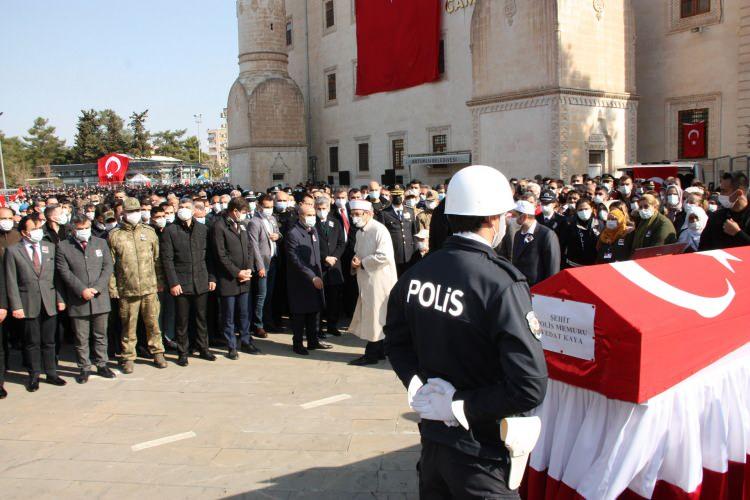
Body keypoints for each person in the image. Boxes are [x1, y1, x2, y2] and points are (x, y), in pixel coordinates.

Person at [384, 165, 548, 499]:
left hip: (433, 445)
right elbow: (529, 386)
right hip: (480, 453)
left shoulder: (417, 274)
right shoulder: (501, 283)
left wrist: (421, 388)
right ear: (492, 219)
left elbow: (396, 342)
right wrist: (458, 405)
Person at [5, 214, 67, 391]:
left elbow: (57, 277)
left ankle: (52, 373)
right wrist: (16, 306)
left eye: (39, 228)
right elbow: (11, 280)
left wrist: (60, 299)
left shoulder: (49, 247)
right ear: (24, 233)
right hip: (27, 303)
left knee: (49, 341)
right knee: (32, 342)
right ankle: (34, 375)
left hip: (49, 301)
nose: (38, 232)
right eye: (34, 229)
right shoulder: (13, 251)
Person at [108, 198, 168, 373]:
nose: (134, 214)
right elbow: (110, 265)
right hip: (127, 290)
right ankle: (128, 357)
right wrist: (113, 288)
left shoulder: (149, 232)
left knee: (153, 323)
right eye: (130, 211)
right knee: (128, 326)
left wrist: (160, 281)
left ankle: (158, 352)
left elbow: (157, 260)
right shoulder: (115, 235)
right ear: (123, 214)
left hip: (150, 287)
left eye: (137, 211)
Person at [55, 214, 116, 383]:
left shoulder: (101, 243)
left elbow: (108, 267)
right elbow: (64, 272)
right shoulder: (63, 246)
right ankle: (84, 367)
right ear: (73, 230)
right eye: (80, 229)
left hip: (100, 298)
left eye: (86, 228)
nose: (84, 231)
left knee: (100, 335)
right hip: (78, 299)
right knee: (81, 338)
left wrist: (96, 288)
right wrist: (81, 289)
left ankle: (102, 364)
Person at [160, 198, 217, 366]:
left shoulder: (202, 229)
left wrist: (211, 277)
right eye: (181, 207)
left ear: (193, 211)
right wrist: (173, 283)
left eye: (187, 207)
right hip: (181, 283)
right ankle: (182, 352)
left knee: (201, 318)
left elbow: (209, 257)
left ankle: (203, 348)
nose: (183, 210)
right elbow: (167, 260)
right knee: (182, 320)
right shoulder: (171, 231)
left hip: (201, 281)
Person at [348, 199, 398, 366]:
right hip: (366, 280)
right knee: (374, 315)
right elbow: (358, 252)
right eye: (352, 214)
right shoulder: (360, 232)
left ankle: (371, 354)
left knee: (375, 316)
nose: (354, 218)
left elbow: (384, 256)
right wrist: (356, 261)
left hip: (379, 280)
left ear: (368, 214)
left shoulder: (379, 230)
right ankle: (381, 351)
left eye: (357, 214)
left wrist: (362, 262)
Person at [211, 197, 260, 359]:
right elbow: (220, 255)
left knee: (245, 313)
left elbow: (249, 248)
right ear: (235, 211)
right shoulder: (219, 226)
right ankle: (231, 345)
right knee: (229, 314)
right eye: (244, 212)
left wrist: (248, 269)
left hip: (245, 277)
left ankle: (246, 340)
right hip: (229, 279)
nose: (246, 215)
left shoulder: (243, 226)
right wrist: (236, 272)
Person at [285, 205, 333, 355]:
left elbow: (316, 255)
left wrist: (318, 273)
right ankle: (297, 343)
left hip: (315, 276)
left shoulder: (313, 230)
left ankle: (313, 340)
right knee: (300, 312)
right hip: (301, 279)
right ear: (300, 216)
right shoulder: (293, 233)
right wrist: (311, 277)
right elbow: (295, 260)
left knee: (314, 310)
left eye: (313, 214)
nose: (313, 217)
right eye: (309, 215)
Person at [248, 194, 281, 338]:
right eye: (266, 207)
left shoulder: (272, 219)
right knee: (261, 295)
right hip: (262, 263)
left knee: (270, 295)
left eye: (271, 207)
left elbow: (278, 233)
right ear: (259, 206)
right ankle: (258, 325)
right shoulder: (254, 222)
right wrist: (260, 266)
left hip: (273, 260)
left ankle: (268, 321)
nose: (269, 210)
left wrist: (278, 236)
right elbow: (253, 246)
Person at [314, 196, 346, 337]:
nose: (321, 211)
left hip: (334, 266)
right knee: (320, 299)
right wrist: (324, 257)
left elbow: (341, 243)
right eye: (319, 209)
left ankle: (332, 325)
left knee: (334, 299)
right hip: (320, 266)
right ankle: (318, 327)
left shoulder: (335, 222)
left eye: (324, 209)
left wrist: (334, 257)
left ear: (328, 208)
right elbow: (313, 245)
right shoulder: (312, 224)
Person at [510, 200, 561, 287]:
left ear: (524, 217)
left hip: (537, 288)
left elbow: (553, 268)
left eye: (514, 215)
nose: (512, 218)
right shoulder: (518, 234)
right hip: (520, 286)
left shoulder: (546, 234)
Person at [699, 172, 750, 250]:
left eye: (724, 191)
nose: (721, 194)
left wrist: (738, 233)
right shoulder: (716, 217)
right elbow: (703, 247)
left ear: (739, 192)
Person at [380, 188, 419, 277]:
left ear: (403, 197)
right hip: (394, 253)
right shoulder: (384, 213)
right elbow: (382, 235)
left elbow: (414, 232)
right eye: (395, 196)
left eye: (399, 196)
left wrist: (416, 250)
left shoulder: (410, 211)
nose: (398, 198)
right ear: (391, 197)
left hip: (410, 253)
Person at [560, 198, 601, 267]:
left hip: (594, 265)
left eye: (586, 209)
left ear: (592, 209)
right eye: (580, 210)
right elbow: (563, 245)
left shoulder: (599, 224)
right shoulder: (569, 224)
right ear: (576, 211)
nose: (584, 212)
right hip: (574, 265)